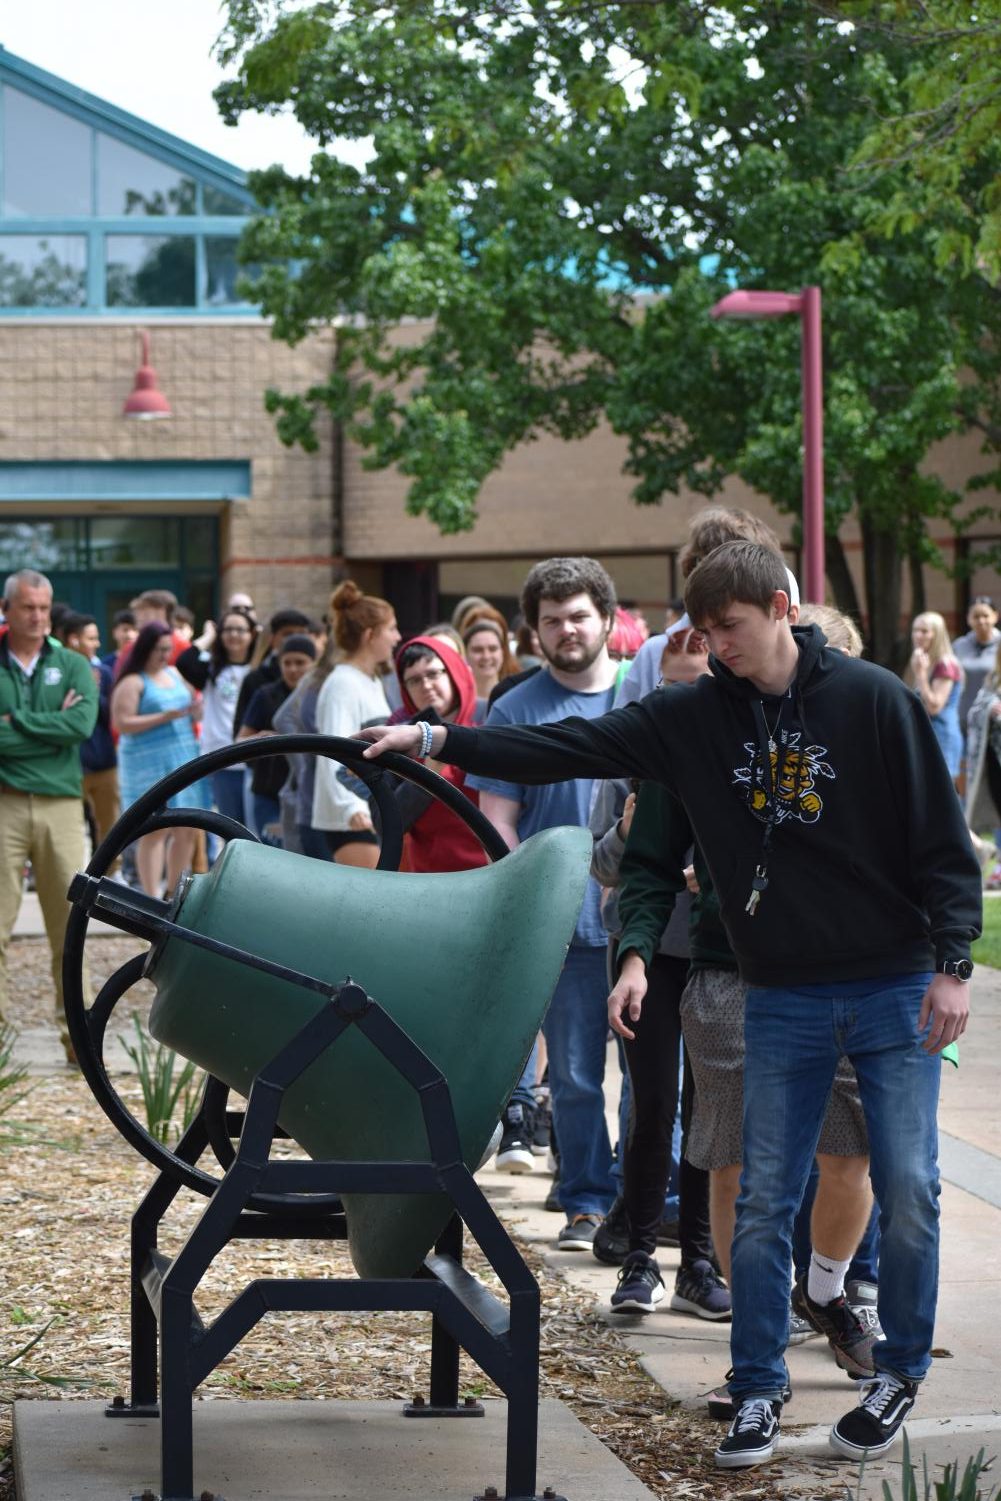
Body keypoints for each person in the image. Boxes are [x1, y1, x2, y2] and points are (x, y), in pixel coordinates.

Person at [358, 540, 980, 1470]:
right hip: (781, 993)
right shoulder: (690, 720)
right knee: (762, 1196)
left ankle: (895, 1373)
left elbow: (940, 835)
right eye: (702, 631)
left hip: (892, 982)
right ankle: (758, 1386)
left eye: (729, 626)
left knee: (910, 1190)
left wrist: (952, 961)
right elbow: (559, 745)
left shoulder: (870, 699)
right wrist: (439, 739)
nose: (717, 645)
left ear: (780, 607)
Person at [464, 557, 621, 1251]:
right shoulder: (515, 709)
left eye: (578, 615)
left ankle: (657, 1203)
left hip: (653, 921)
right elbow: (495, 819)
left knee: (661, 1086)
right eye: (552, 620)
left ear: (607, 621)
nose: (566, 630)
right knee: (579, 1076)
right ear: (533, 630)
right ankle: (587, 1201)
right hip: (564, 925)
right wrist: (529, 897)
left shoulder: (641, 697)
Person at [589, 628, 723, 1320]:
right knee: (652, 1105)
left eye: (694, 684)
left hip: (713, 956)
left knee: (708, 1110)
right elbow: (604, 864)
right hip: (646, 954)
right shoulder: (633, 756)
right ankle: (639, 1255)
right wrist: (629, 828)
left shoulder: (730, 748)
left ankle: (698, 1260)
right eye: (668, 685)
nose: (680, 698)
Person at [0, 571, 98, 1047]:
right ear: (6, 609)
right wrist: (49, 726)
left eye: (44, 607)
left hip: (61, 803)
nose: (38, 617)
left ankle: (74, 1040)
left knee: (70, 928)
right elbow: (63, 726)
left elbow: (80, 725)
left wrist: (15, 721)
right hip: (4, 803)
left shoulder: (74, 664)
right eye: (27, 608)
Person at [111, 622, 210, 897]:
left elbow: (190, 708)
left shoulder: (175, 674)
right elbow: (122, 722)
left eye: (168, 649)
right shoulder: (133, 680)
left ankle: (174, 893)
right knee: (155, 831)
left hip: (182, 753)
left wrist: (195, 711)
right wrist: (163, 717)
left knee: (187, 828)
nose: (164, 655)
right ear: (145, 649)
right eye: (159, 650)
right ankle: (151, 894)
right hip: (147, 761)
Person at [312, 581, 400, 867]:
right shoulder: (343, 683)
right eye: (391, 629)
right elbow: (334, 750)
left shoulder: (371, 680)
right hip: (351, 821)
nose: (397, 637)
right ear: (370, 635)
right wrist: (351, 808)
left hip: (370, 812)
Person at [394, 636, 489, 872]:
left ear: (454, 672)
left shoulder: (493, 720)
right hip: (431, 882)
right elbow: (387, 823)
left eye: (434, 674)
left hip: (493, 873)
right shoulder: (399, 738)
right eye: (414, 680)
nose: (426, 685)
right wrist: (427, 770)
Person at [176, 606, 260, 825]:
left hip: (258, 759)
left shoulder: (260, 671)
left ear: (252, 634)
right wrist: (209, 636)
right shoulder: (212, 669)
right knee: (234, 827)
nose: (234, 635)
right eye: (228, 629)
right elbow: (184, 661)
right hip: (226, 759)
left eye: (240, 630)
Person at [237, 633, 318, 842]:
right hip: (269, 791)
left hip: (311, 792)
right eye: (287, 663)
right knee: (274, 851)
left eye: (300, 663)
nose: (292, 669)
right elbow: (239, 742)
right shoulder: (265, 695)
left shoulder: (321, 695)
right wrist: (262, 740)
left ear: (314, 663)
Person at [59, 612, 120, 868]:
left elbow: (113, 718)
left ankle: (110, 873)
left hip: (104, 763)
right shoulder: (58, 671)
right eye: (91, 638)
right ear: (73, 640)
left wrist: (94, 693)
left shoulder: (104, 673)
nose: (97, 643)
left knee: (109, 827)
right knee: (67, 828)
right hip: (69, 766)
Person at [907, 611, 965, 783]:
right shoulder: (926, 661)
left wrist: (921, 675)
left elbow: (934, 706)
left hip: (943, 734)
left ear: (937, 634)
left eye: (924, 631)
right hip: (929, 733)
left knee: (943, 789)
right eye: (915, 630)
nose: (918, 635)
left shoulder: (945, 664)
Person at [953, 596, 1001, 732]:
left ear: (995, 616)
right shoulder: (959, 645)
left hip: (992, 720)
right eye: (976, 616)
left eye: (985, 615)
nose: (981, 621)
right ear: (968, 618)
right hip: (962, 717)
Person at [461, 617, 521, 700]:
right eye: (478, 650)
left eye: (493, 649)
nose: (486, 656)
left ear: (502, 652)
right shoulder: (458, 702)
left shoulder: (516, 696)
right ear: (465, 654)